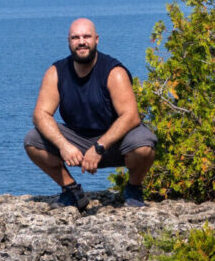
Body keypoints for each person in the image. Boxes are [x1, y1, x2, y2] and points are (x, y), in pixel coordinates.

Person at [24, 17, 157, 209]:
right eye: (75, 37)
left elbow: (131, 116)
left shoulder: (113, 72)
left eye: (86, 36)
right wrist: (63, 146)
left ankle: (134, 188)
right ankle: (71, 191)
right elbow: (40, 114)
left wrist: (99, 147)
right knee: (33, 140)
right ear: (69, 41)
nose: (81, 42)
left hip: (115, 141)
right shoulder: (56, 72)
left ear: (96, 39)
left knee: (144, 144)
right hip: (77, 140)